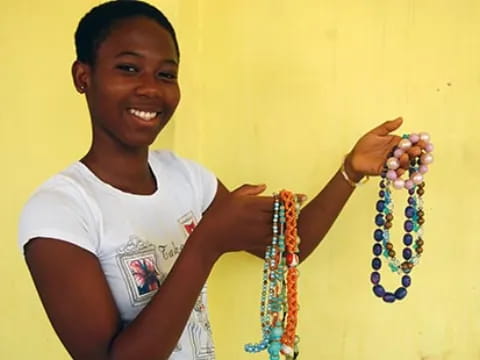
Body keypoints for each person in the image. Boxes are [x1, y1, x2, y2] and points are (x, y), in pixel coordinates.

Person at [18, 1, 405, 359]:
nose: (151, 88)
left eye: (166, 74)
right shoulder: (59, 211)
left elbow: (290, 247)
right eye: (129, 68)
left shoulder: (186, 178)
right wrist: (206, 243)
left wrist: (350, 171)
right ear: (83, 76)